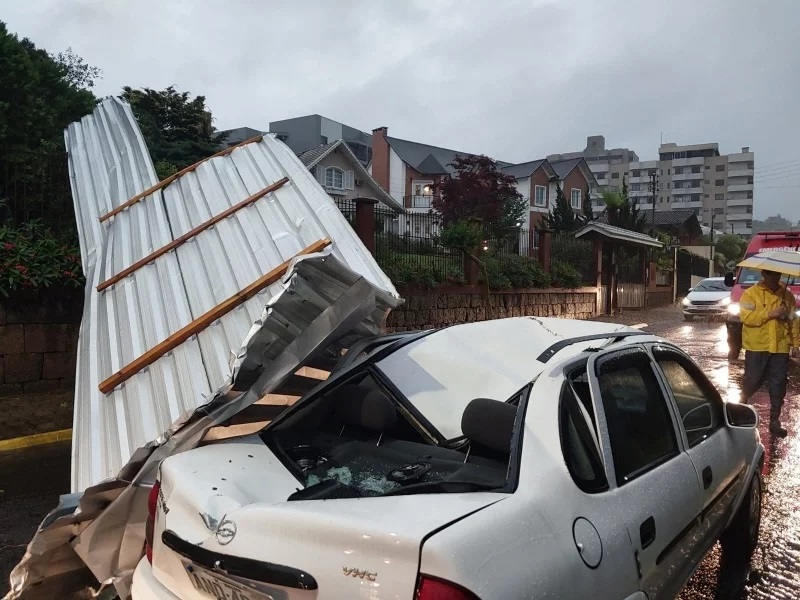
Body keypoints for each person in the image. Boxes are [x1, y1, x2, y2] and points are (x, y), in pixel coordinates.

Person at [739, 269, 798, 437]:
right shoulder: (750, 294)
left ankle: (775, 421)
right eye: (771, 274)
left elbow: (793, 321)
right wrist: (770, 314)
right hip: (757, 345)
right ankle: (742, 402)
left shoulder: (788, 296)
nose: (775, 277)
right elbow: (746, 317)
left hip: (780, 346)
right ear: (764, 274)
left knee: (779, 384)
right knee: (753, 380)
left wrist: (795, 343)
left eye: (777, 275)